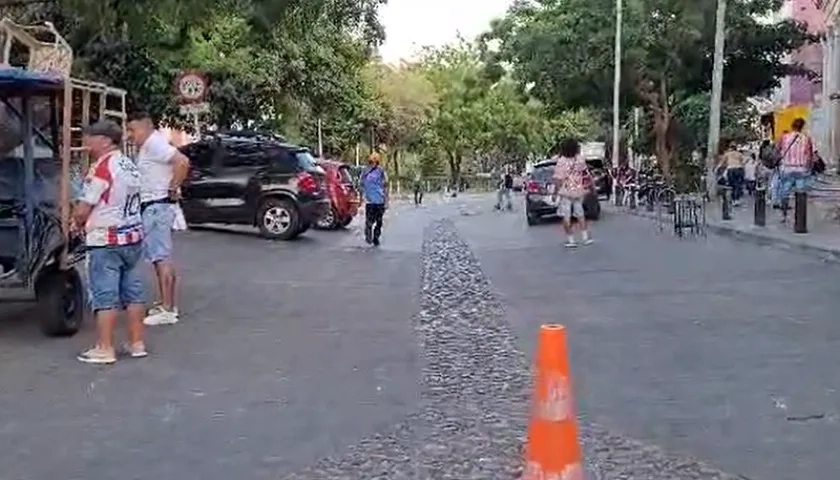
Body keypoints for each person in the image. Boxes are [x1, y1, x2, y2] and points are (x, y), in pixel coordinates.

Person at [73, 120, 146, 364]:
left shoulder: (102, 167)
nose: (86, 143)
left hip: (106, 239)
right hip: (133, 237)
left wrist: (76, 222)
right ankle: (137, 343)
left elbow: (85, 207)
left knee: (105, 295)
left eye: (90, 137)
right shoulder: (129, 165)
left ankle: (105, 348)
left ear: (105, 140)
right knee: (133, 293)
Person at [126, 112, 190, 326]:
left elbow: (182, 161)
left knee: (160, 256)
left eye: (132, 130)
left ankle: (168, 308)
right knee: (158, 256)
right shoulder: (148, 147)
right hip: (155, 205)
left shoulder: (154, 144)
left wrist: (173, 187)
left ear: (146, 128)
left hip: (157, 205)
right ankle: (165, 303)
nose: (129, 135)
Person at [552, 138, 593, 247]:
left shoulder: (561, 161)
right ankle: (585, 238)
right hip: (578, 190)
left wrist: (555, 193)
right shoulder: (580, 159)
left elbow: (558, 179)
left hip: (566, 192)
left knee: (566, 216)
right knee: (580, 214)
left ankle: (571, 240)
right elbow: (585, 173)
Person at [776, 117, 815, 220]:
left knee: (785, 191)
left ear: (792, 126)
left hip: (787, 168)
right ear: (802, 127)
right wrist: (809, 169)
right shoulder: (807, 139)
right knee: (800, 192)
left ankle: (783, 215)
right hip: (801, 169)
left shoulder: (784, 137)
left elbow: (777, 150)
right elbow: (810, 156)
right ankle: (799, 216)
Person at [360, 153, 388, 246]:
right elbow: (361, 184)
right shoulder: (365, 171)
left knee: (379, 222)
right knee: (369, 221)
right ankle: (368, 236)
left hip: (380, 200)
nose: (372, 163)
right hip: (370, 201)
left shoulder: (381, 171)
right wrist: (361, 197)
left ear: (377, 162)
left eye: (374, 162)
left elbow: (385, 186)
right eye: (371, 162)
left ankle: (376, 237)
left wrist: (386, 201)